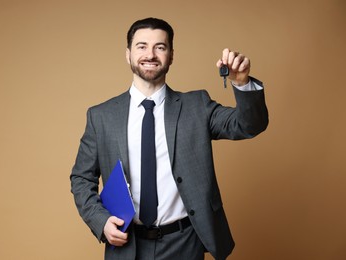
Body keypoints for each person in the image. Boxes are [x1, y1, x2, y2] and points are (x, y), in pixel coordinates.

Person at [70, 17, 268, 260]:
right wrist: (100, 221)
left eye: (160, 47)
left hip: (184, 243)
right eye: (141, 46)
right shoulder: (101, 116)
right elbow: (81, 178)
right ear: (128, 54)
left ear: (171, 55)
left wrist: (242, 83)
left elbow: (249, 125)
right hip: (126, 244)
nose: (150, 54)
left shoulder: (197, 106)